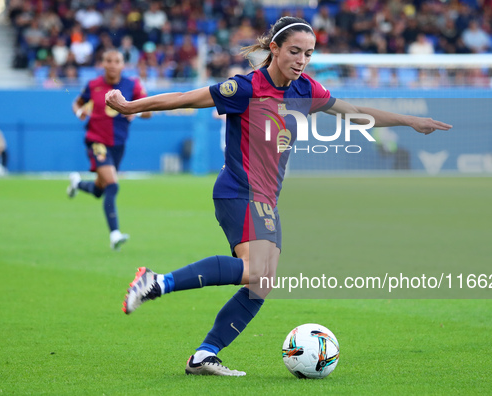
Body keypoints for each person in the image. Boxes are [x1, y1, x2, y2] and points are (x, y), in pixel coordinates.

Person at [105, 16, 452, 376]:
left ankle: (204, 355)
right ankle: (157, 282)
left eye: (309, 54)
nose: (302, 60)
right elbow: (183, 97)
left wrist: (409, 119)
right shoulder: (245, 87)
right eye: (295, 51)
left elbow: (356, 114)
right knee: (256, 271)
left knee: (262, 284)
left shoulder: (306, 90)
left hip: (265, 199)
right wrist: (132, 106)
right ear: (274, 48)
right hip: (238, 191)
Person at [68, 49, 151, 250]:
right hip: (96, 140)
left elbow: (148, 111)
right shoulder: (94, 85)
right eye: (109, 60)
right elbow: (77, 103)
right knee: (112, 185)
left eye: (117, 61)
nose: (113, 64)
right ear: (102, 64)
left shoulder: (132, 85)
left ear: (123, 65)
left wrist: (135, 112)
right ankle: (115, 234)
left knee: (100, 190)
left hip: (118, 144)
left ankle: (77, 183)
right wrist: (79, 111)